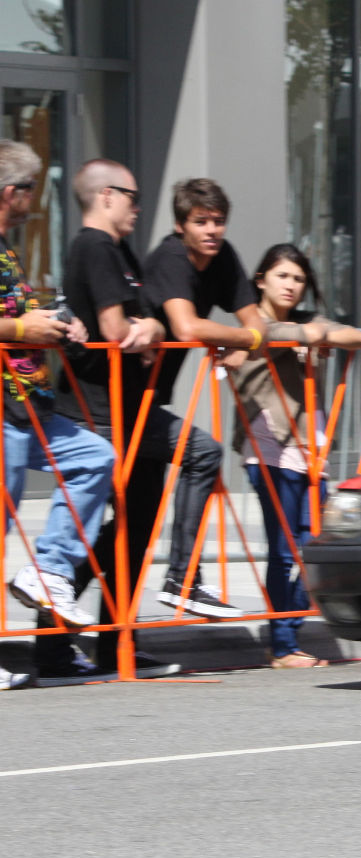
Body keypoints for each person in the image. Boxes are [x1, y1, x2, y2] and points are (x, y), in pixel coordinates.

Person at [141, 177, 330, 617]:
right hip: (117, 397)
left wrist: (246, 340)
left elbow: (256, 325)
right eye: (200, 221)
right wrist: (244, 339)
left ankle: (115, 634)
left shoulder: (222, 256)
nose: (211, 230)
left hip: (149, 397)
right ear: (180, 225)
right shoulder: (170, 257)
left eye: (218, 221)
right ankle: (181, 580)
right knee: (200, 456)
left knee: (135, 523)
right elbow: (188, 327)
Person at [34, 159, 186, 679]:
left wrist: (152, 328)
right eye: (131, 197)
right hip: (97, 411)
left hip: (126, 407)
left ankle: (114, 639)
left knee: (135, 525)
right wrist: (147, 328)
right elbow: (119, 330)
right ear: (105, 196)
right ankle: (56, 642)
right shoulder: (95, 246)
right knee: (113, 526)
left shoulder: (116, 248)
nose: (137, 207)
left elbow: (141, 324)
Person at [0, 141, 117, 690]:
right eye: (33, 191)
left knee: (95, 456)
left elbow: (19, 311)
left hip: (28, 404)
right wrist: (23, 329)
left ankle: (48, 571)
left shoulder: (8, 249)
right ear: (12, 193)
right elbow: (13, 323)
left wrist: (58, 321)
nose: (37, 202)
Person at [232, 244, 361, 668]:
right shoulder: (251, 325)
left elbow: (357, 337)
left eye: (298, 279)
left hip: (311, 451)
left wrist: (316, 334)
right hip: (269, 446)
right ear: (261, 280)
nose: (290, 285)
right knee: (285, 549)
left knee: (315, 547)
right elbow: (245, 350)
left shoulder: (308, 321)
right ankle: (283, 644)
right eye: (282, 276)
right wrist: (297, 336)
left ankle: (287, 632)